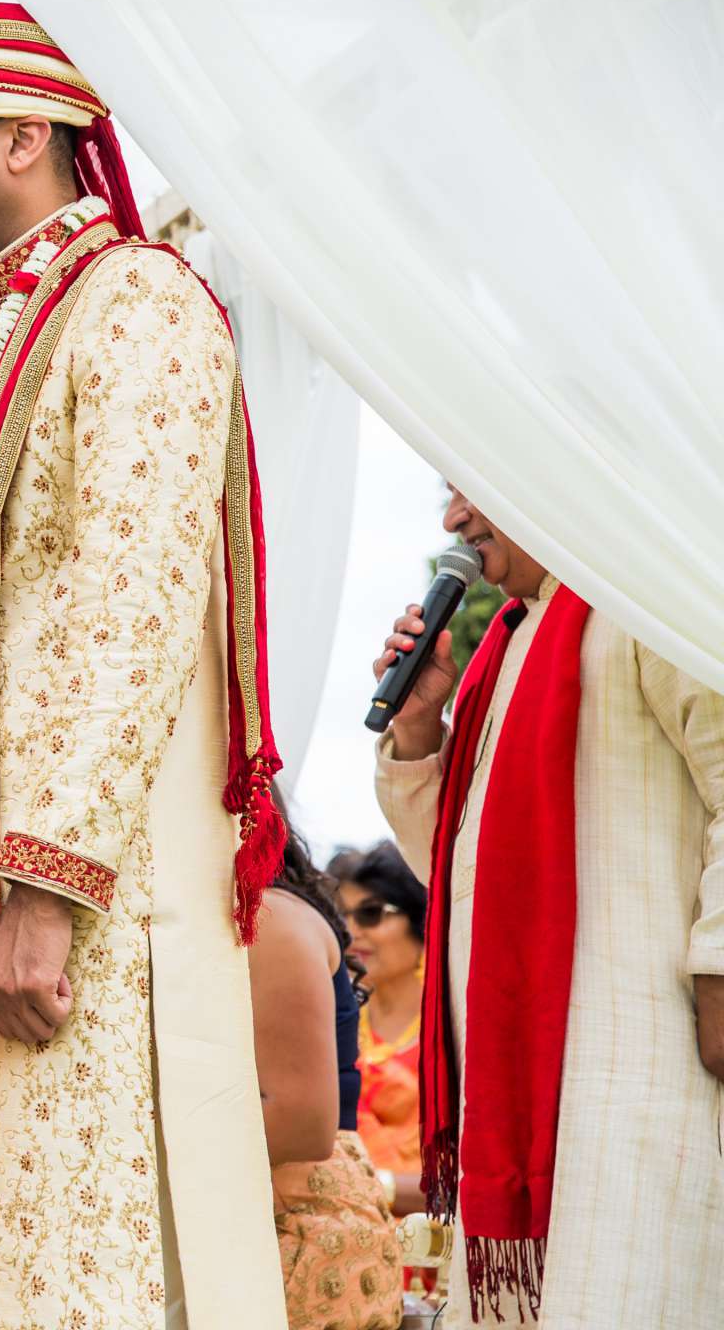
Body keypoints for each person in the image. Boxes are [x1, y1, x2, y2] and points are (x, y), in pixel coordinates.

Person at [0, 0, 288, 1330]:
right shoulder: (3, 329)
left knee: (95, 1270)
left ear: (25, 135)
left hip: (86, 912)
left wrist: (43, 890)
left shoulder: (138, 305)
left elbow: (129, 613)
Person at [374, 483, 724, 1325]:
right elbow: (464, 874)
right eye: (446, 498)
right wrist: (422, 731)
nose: (453, 521)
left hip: (641, 1078)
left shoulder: (644, 596)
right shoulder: (506, 649)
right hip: (522, 1109)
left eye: (471, 492)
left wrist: (719, 966)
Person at [252, 831, 401, 1330]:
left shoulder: (272, 917)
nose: (357, 928)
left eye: (375, 913)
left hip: (305, 1228)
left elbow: (300, 1125)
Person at [337, 840, 427, 1215]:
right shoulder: (336, 1019)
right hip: (345, 1236)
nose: (351, 930)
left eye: (370, 914)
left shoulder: (455, 1025)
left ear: (421, 920)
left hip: (434, 1240)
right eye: (341, 915)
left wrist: (377, 1187)